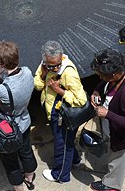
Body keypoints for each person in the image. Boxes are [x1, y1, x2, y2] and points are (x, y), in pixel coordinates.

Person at [89, 48, 125, 191]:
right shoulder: (123, 71)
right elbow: (107, 83)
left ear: (113, 74)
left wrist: (107, 114)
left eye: (102, 75)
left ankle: (111, 185)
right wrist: (97, 89)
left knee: (116, 157)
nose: (100, 78)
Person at [0, 41, 37, 191]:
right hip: (25, 121)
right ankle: (29, 177)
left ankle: (19, 187)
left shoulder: (3, 90)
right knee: (26, 151)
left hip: (8, 129)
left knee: (10, 161)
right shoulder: (27, 72)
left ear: (0, 63)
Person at [34, 40, 87, 184]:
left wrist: (60, 91)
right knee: (66, 142)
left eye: (58, 64)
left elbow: (81, 100)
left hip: (63, 116)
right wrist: (44, 76)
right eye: (52, 66)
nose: (56, 68)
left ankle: (60, 175)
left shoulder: (68, 72)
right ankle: (75, 159)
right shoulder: (44, 66)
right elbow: (38, 86)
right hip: (53, 112)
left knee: (62, 145)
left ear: (62, 56)